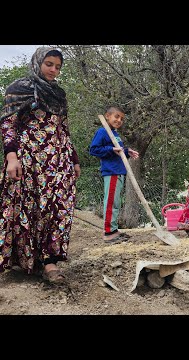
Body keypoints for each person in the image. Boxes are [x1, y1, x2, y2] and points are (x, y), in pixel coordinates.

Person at [0, 47, 81, 284]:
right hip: (29, 159)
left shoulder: (59, 94)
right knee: (25, 207)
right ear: (38, 62)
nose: (54, 70)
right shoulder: (19, 88)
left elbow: (63, 128)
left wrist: (74, 158)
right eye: (49, 64)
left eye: (58, 66)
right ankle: (21, 259)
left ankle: (49, 262)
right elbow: (7, 125)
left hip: (58, 160)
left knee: (58, 208)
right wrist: (11, 157)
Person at [89, 106, 139, 243]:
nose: (119, 120)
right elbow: (94, 149)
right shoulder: (102, 132)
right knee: (111, 202)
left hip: (119, 171)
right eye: (116, 117)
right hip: (111, 171)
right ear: (107, 116)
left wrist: (127, 151)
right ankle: (108, 233)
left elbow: (118, 151)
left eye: (122, 119)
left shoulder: (115, 133)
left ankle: (114, 229)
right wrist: (111, 149)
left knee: (116, 202)